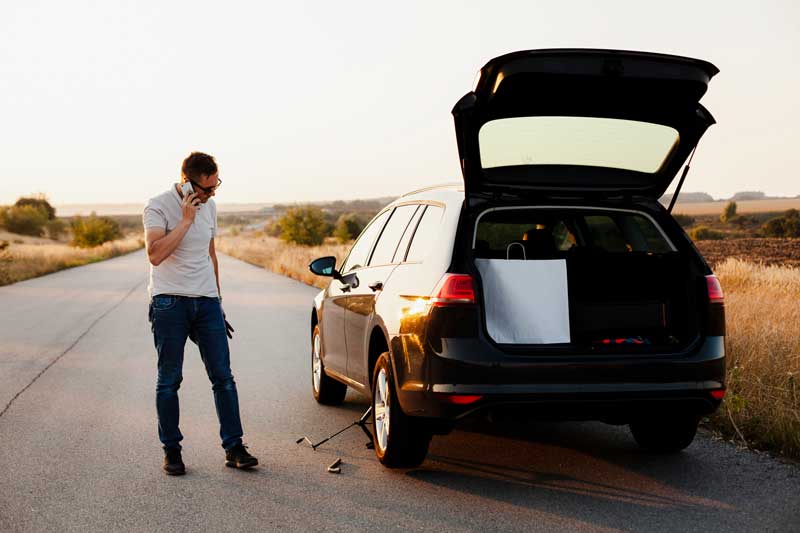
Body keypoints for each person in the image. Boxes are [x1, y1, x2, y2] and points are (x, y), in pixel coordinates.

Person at [143, 151, 257, 475]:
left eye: (215, 187)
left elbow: (211, 254)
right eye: (205, 189)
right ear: (186, 182)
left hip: (206, 302)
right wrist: (185, 221)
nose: (211, 195)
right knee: (170, 380)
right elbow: (155, 255)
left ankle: (234, 447)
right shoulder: (158, 205)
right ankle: (172, 451)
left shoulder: (211, 207)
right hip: (170, 303)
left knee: (223, 377)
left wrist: (218, 302)